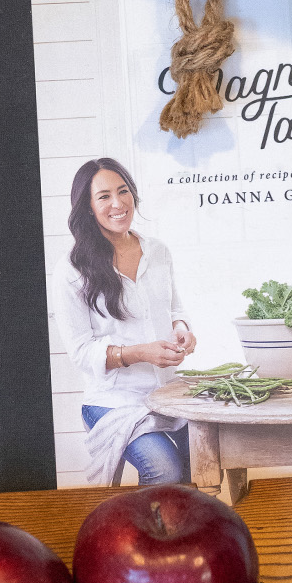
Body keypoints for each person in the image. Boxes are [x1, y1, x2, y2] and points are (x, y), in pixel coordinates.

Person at [49, 156, 196, 486]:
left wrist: (182, 330)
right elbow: (81, 353)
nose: (118, 203)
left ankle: (189, 532)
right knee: (165, 470)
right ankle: (147, 537)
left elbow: (175, 309)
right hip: (113, 403)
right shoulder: (71, 270)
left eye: (123, 191)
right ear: (87, 207)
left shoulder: (157, 251)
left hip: (169, 395)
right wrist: (140, 353)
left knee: (208, 454)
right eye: (103, 197)